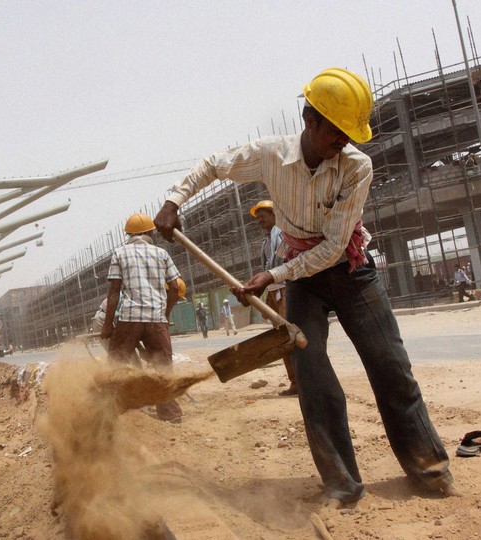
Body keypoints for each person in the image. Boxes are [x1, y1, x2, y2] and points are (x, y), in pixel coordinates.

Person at [154, 67, 455, 505]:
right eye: (338, 131)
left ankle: (429, 471)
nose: (346, 141)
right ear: (310, 121)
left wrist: (272, 276)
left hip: (350, 269)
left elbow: (334, 247)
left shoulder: (357, 167)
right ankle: (342, 485)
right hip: (302, 279)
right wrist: (172, 201)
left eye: (352, 133)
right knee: (314, 380)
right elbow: (213, 166)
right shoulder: (271, 155)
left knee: (391, 367)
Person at [100, 213, 183, 423]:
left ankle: (110, 412)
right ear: (149, 232)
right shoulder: (161, 254)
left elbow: (114, 292)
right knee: (163, 369)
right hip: (156, 319)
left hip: (129, 318)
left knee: (116, 367)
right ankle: (170, 414)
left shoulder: (119, 253)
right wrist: (165, 314)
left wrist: (108, 325)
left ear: (129, 234)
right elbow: (175, 287)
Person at [251, 199, 296, 396]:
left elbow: (279, 265)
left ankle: (302, 381)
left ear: (274, 214)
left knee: (289, 336)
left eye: (263, 215)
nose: (260, 219)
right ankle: (295, 382)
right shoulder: (266, 242)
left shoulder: (282, 234)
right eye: (258, 216)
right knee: (281, 339)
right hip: (274, 291)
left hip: (284, 289)